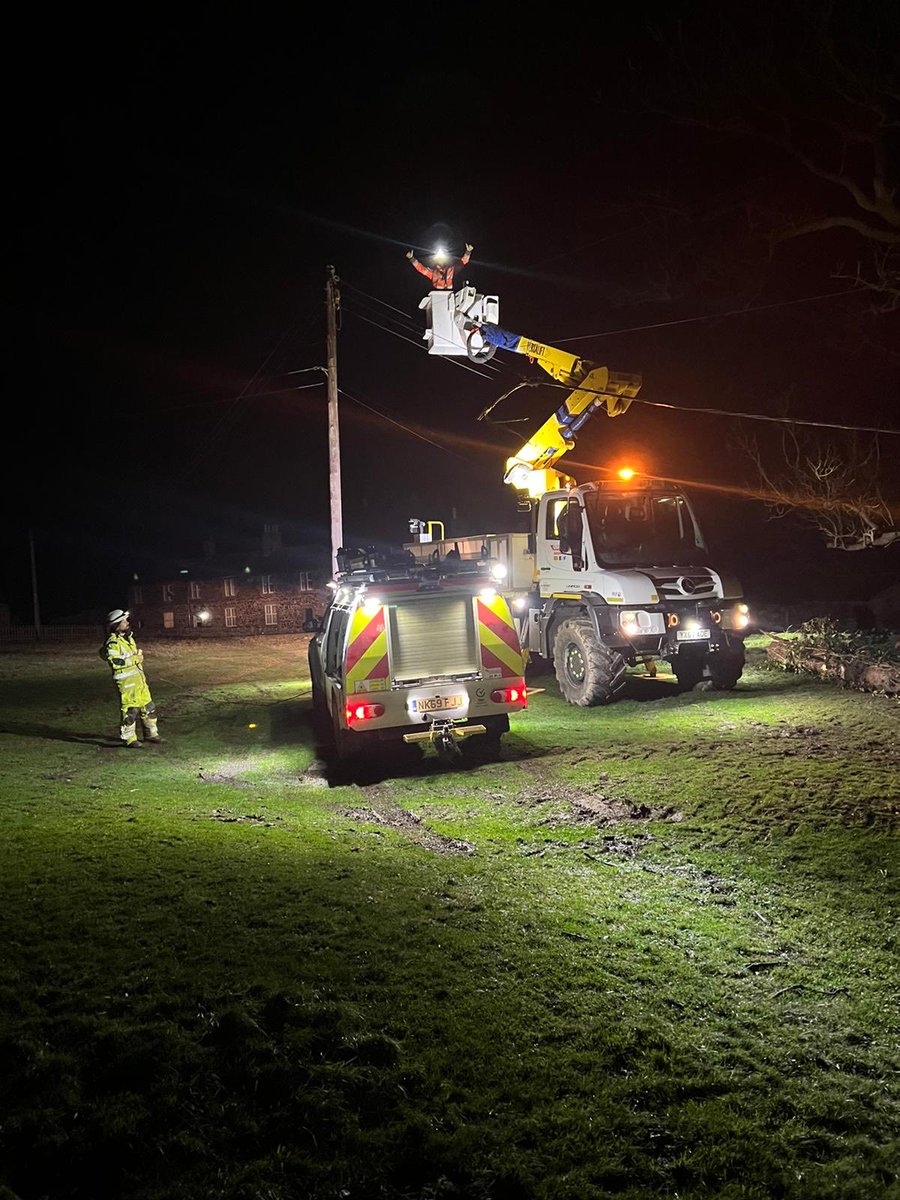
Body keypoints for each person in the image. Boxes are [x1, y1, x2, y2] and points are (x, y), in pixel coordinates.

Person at [100, 609, 161, 748]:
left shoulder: (129, 639)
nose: (127, 623)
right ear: (116, 625)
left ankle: (151, 734)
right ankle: (129, 739)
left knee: (148, 707)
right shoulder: (113, 643)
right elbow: (116, 662)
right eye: (124, 621)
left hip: (139, 681)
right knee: (130, 711)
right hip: (126, 683)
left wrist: (138, 658)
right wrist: (135, 659)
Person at [406, 243, 473, 290]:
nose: (441, 261)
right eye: (439, 259)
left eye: (442, 259)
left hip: (450, 293)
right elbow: (421, 269)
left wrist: (468, 252)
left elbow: (462, 263)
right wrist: (412, 259)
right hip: (437, 293)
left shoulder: (451, 270)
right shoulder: (433, 273)